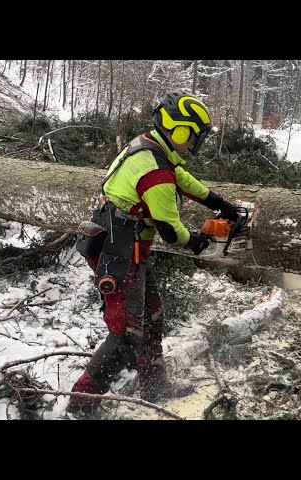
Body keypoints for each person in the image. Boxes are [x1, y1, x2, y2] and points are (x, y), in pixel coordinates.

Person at [67, 90, 240, 417]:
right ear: (180, 131)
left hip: (128, 246)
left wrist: (218, 202)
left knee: (152, 314)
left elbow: (181, 178)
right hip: (118, 253)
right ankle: (82, 402)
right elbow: (172, 232)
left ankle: (153, 385)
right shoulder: (155, 170)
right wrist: (199, 241)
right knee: (126, 333)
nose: (195, 144)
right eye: (194, 137)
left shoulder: (151, 146)